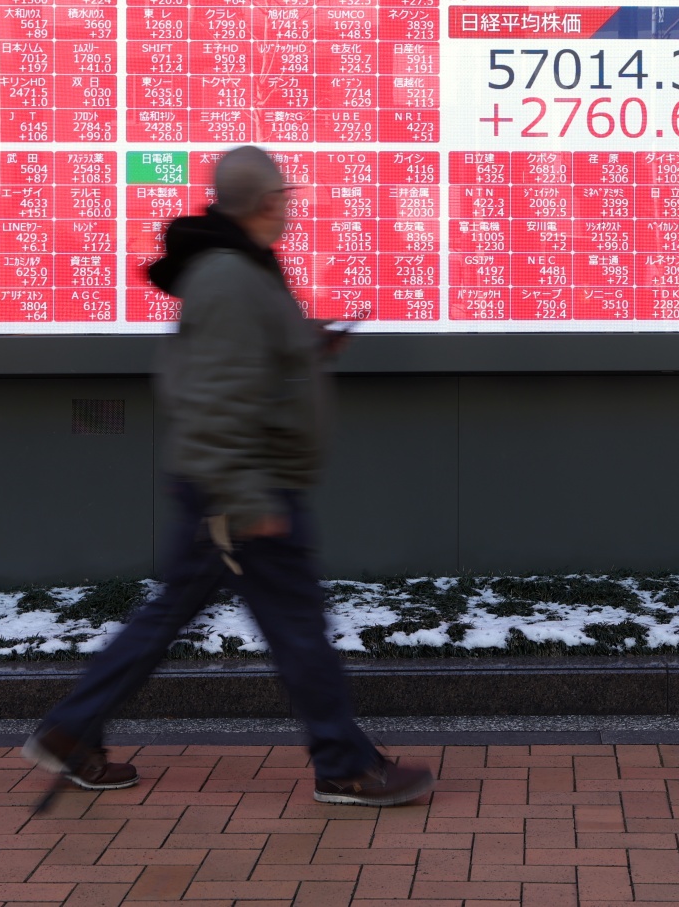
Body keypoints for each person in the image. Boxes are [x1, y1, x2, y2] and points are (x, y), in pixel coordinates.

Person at [22, 145, 434, 807]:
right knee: (297, 629)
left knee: (170, 619)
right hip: (245, 488)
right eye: (285, 196)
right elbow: (214, 397)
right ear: (267, 200)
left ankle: (72, 730)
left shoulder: (236, 269)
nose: (290, 207)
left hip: (228, 483)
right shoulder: (231, 277)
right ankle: (346, 765)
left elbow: (240, 367)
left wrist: (308, 347)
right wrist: (247, 497)